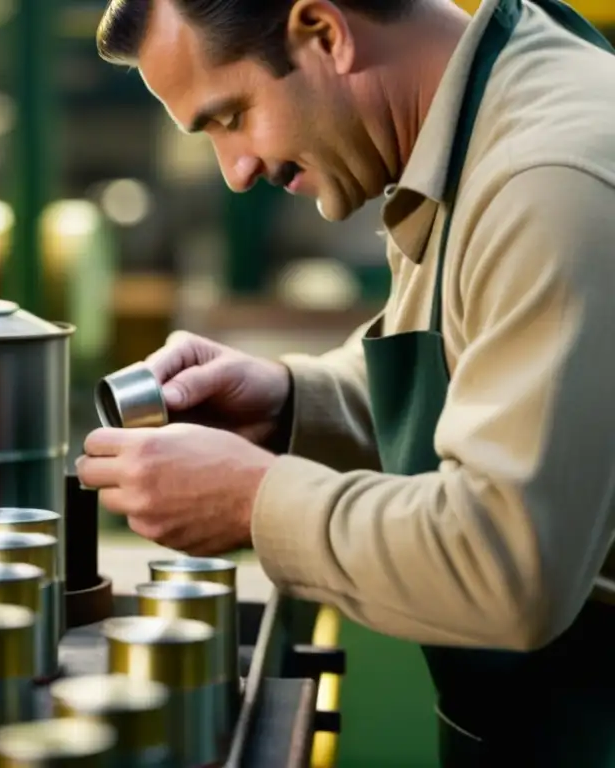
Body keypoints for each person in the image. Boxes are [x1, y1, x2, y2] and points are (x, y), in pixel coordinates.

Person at [75, 0, 615, 765]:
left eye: (231, 117)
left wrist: (251, 500)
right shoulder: (469, 130)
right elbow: (484, 370)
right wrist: (292, 404)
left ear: (324, 33)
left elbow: (506, 565)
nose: (237, 171)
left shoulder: (550, 177)